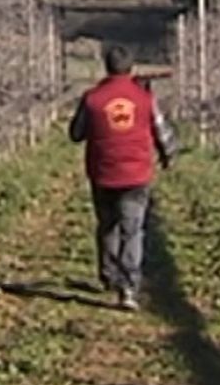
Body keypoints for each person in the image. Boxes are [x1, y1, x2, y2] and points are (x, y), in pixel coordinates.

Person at [68, 44, 177, 310]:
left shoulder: (92, 98)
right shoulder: (144, 99)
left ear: (106, 66)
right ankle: (129, 286)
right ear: (132, 68)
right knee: (133, 230)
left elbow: (76, 133)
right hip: (137, 174)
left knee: (107, 225)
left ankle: (109, 273)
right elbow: (162, 132)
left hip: (102, 173)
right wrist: (167, 156)